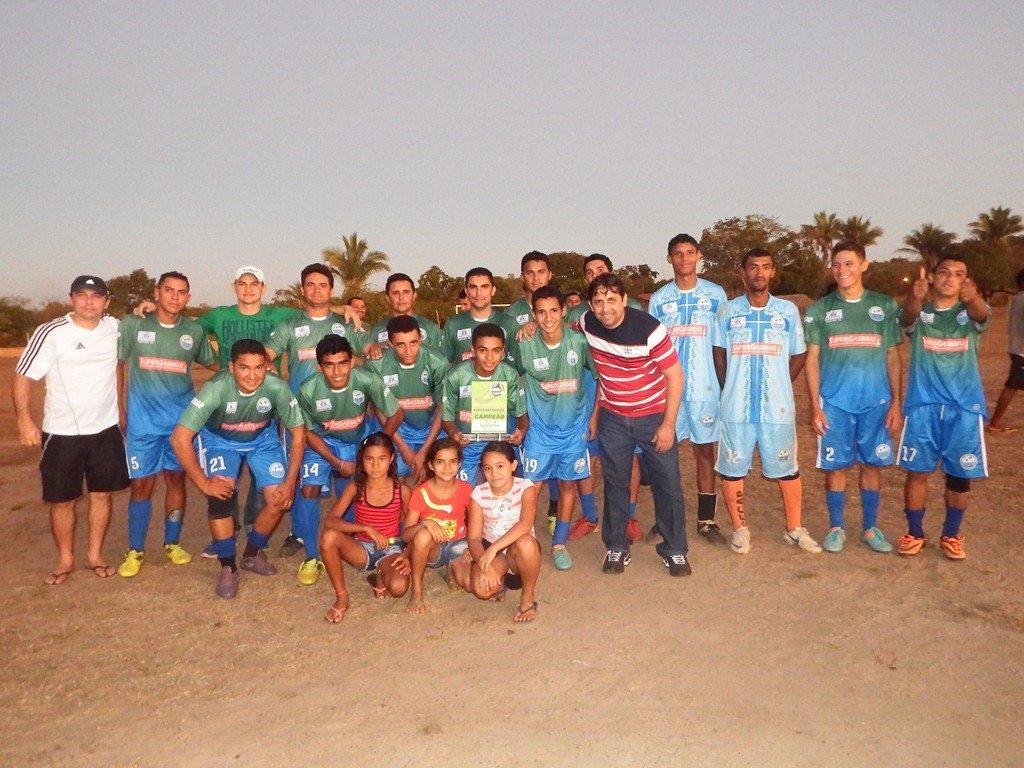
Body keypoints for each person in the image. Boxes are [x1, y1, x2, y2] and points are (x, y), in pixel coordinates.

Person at [13, 275, 130, 584]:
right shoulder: (51, 332)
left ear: (106, 302)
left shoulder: (114, 328)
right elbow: (23, 377)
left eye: (96, 296)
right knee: (63, 500)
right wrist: (24, 420)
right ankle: (65, 559)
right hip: (62, 431)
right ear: (71, 298)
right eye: (82, 294)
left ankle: (95, 556)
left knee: (101, 496)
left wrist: (145, 308)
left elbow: (140, 325)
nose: (88, 301)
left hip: (105, 429)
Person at [170, 339, 305, 599]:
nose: (253, 376)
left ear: (267, 367)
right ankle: (228, 567)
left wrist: (290, 481)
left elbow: (298, 435)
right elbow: (180, 438)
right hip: (220, 441)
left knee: (279, 500)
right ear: (231, 367)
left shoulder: (277, 387)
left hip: (262, 441)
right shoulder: (215, 389)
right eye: (244, 368)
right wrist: (203, 483)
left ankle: (252, 554)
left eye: (259, 368)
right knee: (220, 493)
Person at [578, 273, 692, 576]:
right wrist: (532, 326)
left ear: (624, 300)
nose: (606, 308)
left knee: (667, 483)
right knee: (615, 482)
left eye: (612, 300)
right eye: (599, 302)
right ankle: (616, 546)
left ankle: (674, 549)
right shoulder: (587, 323)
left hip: (653, 415)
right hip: (614, 417)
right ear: (591, 304)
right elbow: (558, 330)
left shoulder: (649, 329)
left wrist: (668, 425)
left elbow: (675, 377)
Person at [712, 248, 820, 555]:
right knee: (733, 468)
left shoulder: (786, 311)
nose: (759, 273)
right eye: (753, 267)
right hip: (736, 407)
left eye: (765, 267)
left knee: (787, 467)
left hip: (777, 407)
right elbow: (718, 352)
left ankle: (794, 528)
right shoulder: (728, 311)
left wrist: (782, 382)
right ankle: (740, 529)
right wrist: (726, 387)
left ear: (773, 272)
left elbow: (799, 353)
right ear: (743, 272)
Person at [116, 271, 218, 578]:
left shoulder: (193, 331)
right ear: (157, 292)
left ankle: (172, 542)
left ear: (188, 297)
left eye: (181, 292)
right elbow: (119, 364)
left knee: (176, 481)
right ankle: (135, 550)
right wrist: (120, 407)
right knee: (142, 485)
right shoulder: (134, 323)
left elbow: (214, 363)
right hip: (143, 422)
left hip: (180, 424)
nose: (175, 296)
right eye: (169, 290)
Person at [803, 241, 902, 554]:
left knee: (872, 466)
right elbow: (811, 360)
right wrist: (815, 405)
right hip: (835, 402)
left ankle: (870, 528)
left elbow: (893, 356)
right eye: (836, 264)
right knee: (837, 468)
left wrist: (896, 402)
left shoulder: (885, 306)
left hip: (876, 401)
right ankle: (836, 527)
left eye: (848, 263)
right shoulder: (820, 309)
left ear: (864, 265)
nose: (842, 270)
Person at [266, 263, 368, 556]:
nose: (317, 290)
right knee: (299, 474)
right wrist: (268, 362)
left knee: (346, 476)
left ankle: (347, 533)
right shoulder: (289, 324)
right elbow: (267, 353)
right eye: (311, 285)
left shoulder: (344, 322)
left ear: (331, 290)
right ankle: (298, 535)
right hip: (300, 416)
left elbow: (369, 345)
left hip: (341, 412)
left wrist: (373, 347)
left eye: (323, 285)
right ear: (302, 289)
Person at [896, 259, 989, 560]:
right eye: (945, 273)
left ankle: (951, 534)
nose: (951, 279)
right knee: (917, 472)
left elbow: (981, 313)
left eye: (959, 275)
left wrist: (973, 297)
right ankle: (914, 532)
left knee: (960, 476)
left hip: (963, 406)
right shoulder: (921, 310)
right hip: (923, 404)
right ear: (934, 277)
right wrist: (914, 297)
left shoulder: (969, 312)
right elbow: (906, 317)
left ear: (966, 281)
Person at [293, 335, 403, 585]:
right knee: (309, 488)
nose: (337, 371)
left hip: (358, 441)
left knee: (355, 491)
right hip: (323, 442)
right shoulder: (308, 390)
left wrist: (375, 447)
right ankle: (311, 556)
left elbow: (396, 413)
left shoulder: (366, 378)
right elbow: (307, 432)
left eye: (342, 363)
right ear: (319, 367)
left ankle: (360, 545)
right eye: (329, 365)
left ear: (352, 361)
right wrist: (336, 462)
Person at [647, 233, 729, 544]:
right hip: (668, 390)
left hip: (706, 387)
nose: (684, 259)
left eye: (690, 253)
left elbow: (722, 344)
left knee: (704, 450)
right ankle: (665, 517)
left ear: (698, 256)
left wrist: (725, 384)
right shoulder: (659, 299)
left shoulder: (716, 294)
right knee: (664, 452)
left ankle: (706, 520)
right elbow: (651, 348)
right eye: (678, 254)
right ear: (669, 258)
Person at [516, 286, 596, 571]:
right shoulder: (524, 343)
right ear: (533, 315)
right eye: (541, 312)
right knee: (531, 487)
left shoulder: (579, 341)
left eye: (553, 310)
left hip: (573, 429)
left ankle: (559, 543)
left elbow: (598, 379)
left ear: (563, 311)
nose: (548, 317)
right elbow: (512, 382)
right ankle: (524, 536)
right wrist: (520, 421)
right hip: (539, 430)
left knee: (567, 484)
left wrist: (593, 417)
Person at [567, 253, 645, 542]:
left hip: (625, 396)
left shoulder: (633, 307)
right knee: (588, 456)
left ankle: (629, 515)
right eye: (589, 272)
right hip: (588, 393)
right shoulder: (578, 314)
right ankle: (589, 516)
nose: (595, 274)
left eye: (601, 270)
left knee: (630, 458)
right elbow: (555, 332)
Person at [319, 433, 412, 623]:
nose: (375, 465)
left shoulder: (401, 490)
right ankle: (342, 596)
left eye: (382, 459)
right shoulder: (356, 486)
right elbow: (330, 521)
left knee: (398, 589)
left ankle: (380, 575)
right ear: (362, 460)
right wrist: (365, 527)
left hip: (391, 548)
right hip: (361, 548)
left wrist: (408, 554)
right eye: (369, 459)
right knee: (328, 536)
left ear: (391, 459)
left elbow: (411, 528)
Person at [447, 442, 541, 623]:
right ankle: (500, 580)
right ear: (482, 471)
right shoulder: (478, 494)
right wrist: (485, 564)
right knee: (481, 590)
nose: (494, 473)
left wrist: (491, 551)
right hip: (492, 550)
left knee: (526, 543)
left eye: (500, 466)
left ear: (513, 465)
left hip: (517, 550)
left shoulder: (526, 488)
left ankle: (527, 598)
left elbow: (525, 524)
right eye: (488, 468)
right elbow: (474, 538)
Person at [366, 315, 450, 485]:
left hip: (430, 426)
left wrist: (425, 449)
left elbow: (443, 406)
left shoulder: (438, 362)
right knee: (394, 481)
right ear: (389, 343)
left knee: (433, 478)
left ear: (421, 339)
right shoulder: (377, 365)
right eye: (400, 345)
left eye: (414, 343)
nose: (409, 350)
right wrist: (404, 449)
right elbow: (379, 409)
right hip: (397, 429)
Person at [441, 323, 528, 484]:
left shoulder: (509, 374)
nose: (489, 358)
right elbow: (446, 418)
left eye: (496, 351)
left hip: (500, 442)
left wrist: (521, 431)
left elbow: (522, 415)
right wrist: (454, 433)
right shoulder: (455, 376)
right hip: (468, 444)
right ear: (472, 350)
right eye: (483, 350)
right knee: (466, 495)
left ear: (503, 351)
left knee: (503, 492)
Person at [400, 438, 472, 613]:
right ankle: (416, 590)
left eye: (452, 462)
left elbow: (477, 522)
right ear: (431, 465)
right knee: (423, 535)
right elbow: (405, 535)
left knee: (470, 585)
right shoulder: (420, 493)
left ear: (459, 464)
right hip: (433, 550)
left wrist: (475, 545)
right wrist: (425, 523)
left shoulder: (467, 490)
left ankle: (450, 570)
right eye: (440, 462)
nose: (447, 468)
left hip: (458, 545)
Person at [441, 267, 520, 365]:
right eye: (473, 287)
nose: (478, 293)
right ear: (466, 291)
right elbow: (444, 365)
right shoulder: (453, 324)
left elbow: (518, 365)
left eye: (484, 287)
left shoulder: (509, 323)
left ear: (493, 290)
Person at [363, 273, 443, 360]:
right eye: (395, 293)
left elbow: (440, 363)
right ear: (388, 298)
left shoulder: (431, 328)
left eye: (406, 292)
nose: (401, 297)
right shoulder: (377, 330)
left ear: (414, 295)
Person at [987, 268, 1024, 432]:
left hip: (1016, 347)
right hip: (1022, 350)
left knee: (1014, 384)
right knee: (1012, 385)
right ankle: (994, 423)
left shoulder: (1016, 298)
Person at [505, 251, 552, 333]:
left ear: (550, 275)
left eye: (541, 272)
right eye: (530, 273)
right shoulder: (510, 313)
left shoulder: (565, 310)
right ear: (522, 277)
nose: (536, 278)